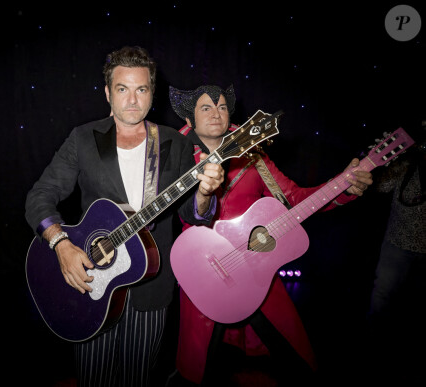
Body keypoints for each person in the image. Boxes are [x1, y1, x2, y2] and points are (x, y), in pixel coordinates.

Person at [24, 46, 224, 387]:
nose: (132, 100)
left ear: (152, 94)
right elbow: (39, 197)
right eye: (122, 89)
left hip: (150, 287)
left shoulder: (174, 143)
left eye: (141, 89)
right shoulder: (83, 138)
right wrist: (61, 245)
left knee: (139, 380)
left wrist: (205, 193)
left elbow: (195, 214)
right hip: (90, 286)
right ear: (107, 93)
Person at [166, 84, 374, 386]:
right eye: (206, 108)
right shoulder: (177, 157)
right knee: (196, 372)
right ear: (190, 120)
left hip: (253, 269)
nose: (217, 113)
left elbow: (294, 198)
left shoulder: (253, 157)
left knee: (300, 363)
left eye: (223, 107)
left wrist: (343, 186)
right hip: (201, 271)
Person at [365, 123, 425, 385]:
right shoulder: (408, 164)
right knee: (381, 300)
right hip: (397, 244)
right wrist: (379, 164)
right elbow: (378, 186)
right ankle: (372, 355)